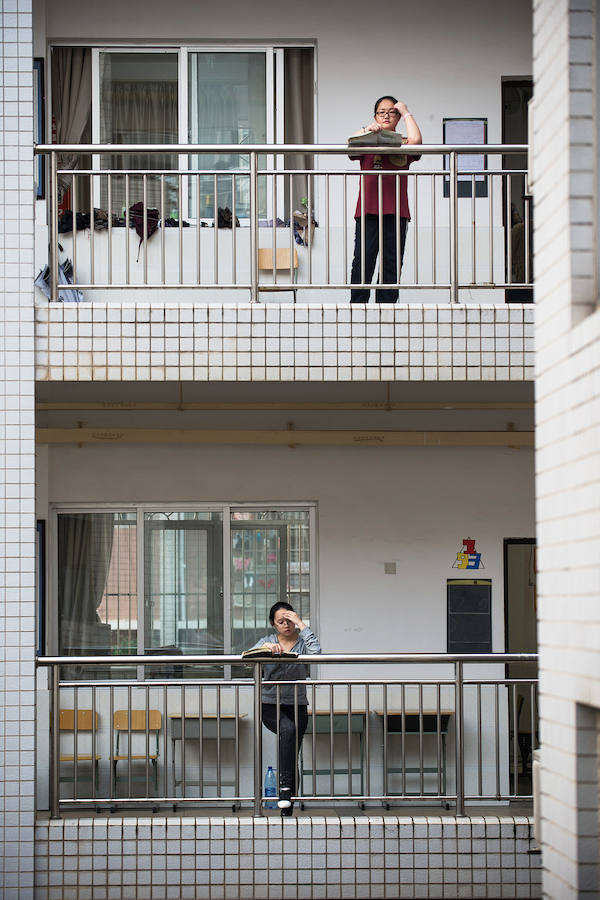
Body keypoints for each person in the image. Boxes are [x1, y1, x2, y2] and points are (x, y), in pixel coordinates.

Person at [250, 601, 321, 815]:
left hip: (297, 705)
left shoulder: (301, 643)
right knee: (287, 730)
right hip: (271, 705)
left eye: (289, 621)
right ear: (273, 624)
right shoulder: (267, 641)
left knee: (291, 754)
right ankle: (284, 793)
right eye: (281, 622)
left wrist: (301, 623)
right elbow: (248, 657)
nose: (286, 625)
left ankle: (286, 806)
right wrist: (265, 650)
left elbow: (317, 653)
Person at [349, 95, 422, 303]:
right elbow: (349, 143)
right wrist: (367, 130)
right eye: (382, 112)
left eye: (392, 112)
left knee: (392, 261)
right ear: (375, 116)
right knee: (363, 260)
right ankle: (357, 306)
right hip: (368, 211)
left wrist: (406, 111)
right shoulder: (366, 142)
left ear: (398, 117)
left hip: (397, 212)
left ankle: (387, 307)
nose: (387, 115)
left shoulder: (404, 144)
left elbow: (417, 141)